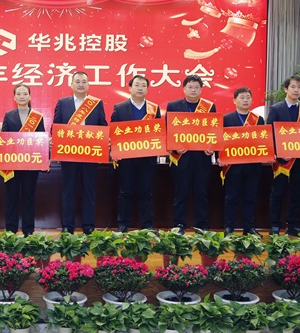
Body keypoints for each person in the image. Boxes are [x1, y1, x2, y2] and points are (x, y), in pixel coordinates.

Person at [53, 71, 108, 235]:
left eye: (84, 81)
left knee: (89, 190)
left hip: (90, 155)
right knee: (68, 191)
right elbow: (55, 127)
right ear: (71, 84)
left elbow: (102, 126)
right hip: (69, 154)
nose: (81, 84)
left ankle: (88, 225)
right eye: (77, 81)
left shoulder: (96, 103)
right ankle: (67, 226)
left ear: (88, 85)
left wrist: (105, 140)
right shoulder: (63, 103)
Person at [110, 75, 161, 232]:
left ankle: (147, 225)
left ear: (147, 89)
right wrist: (114, 150)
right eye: (137, 85)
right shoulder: (119, 108)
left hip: (147, 158)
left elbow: (158, 132)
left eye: (143, 85)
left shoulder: (154, 109)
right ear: (130, 88)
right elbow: (113, 132)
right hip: (127, 158)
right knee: (125, 191)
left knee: (146, 192)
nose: (140, 88)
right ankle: (123, 224)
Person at [166, 74, 217, 231]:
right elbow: (168, 130)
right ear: (184, 89)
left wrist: (212, 147)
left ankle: (201, 225)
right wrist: (174, 146)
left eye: (196, 87)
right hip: (181, 156)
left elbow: (214, 130)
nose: (193, 90)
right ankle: (179, 224)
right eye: (190, 87)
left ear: (201, 89)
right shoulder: (173, 106)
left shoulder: (209, 107)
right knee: (181, 192)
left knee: (201, 192)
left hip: (202, 157)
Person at [267, 76, 300, 236]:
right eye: (293, 87)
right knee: (278, 192)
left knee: (297, 193)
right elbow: (270, 133)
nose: (296, 90)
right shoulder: (276, 109)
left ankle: (293, 225)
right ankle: (275, 225)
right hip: (282, 160)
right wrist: (278, 153)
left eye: (299, 87)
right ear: (286, 89)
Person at [0, 84, 45, 236]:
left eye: (25, 93)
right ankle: (10, 230)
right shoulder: (8, 115)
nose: (22, 96)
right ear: (14, 97)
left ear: (30, 96)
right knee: (11, 197)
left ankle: (28, 230)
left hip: (30, 164)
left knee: (28, 197)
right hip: (12, 164)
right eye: (18, 94)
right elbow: (4, 138)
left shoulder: (37, 117)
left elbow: (41, 139)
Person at [218, 87, 265, 237]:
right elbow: (220, 140)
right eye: (242, 97)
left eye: (248, 97)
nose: (245, 100)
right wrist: (220, 157)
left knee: (250, 198)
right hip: (233, 166)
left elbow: (263, 141)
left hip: (253, 166)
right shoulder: (226, 119)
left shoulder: (258, 120)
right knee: (231, 198)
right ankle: (229, 228)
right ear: (234, 100)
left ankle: (249, 228)